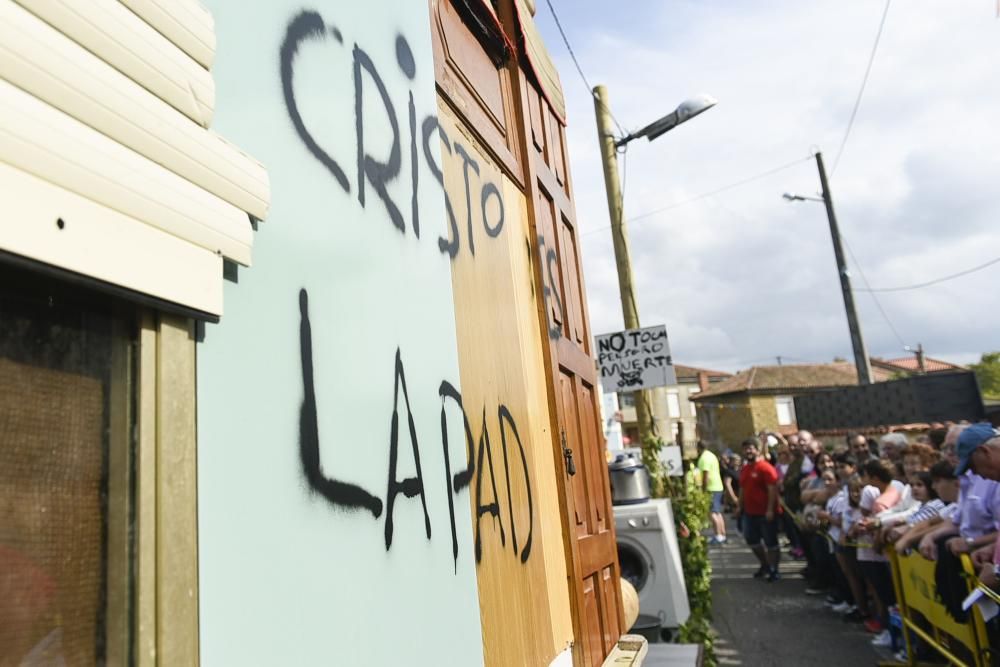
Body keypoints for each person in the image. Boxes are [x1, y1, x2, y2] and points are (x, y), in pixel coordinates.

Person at [738, 437, 782, 582]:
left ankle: (774, 570)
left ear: (757, 450)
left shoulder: (765, 468)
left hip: (765, 513)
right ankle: (765, 565)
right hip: (749, 513)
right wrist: (739, 506)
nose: (748, 451)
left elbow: (772, 489)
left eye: (751, 448)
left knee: (771, 542)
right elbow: (743, 489)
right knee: (752, 540)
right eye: (745, 449)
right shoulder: (744, 469)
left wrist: (770, 509)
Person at [696, 442, 727, 545]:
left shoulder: (704, 458)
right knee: (717, 512)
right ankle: (722, 534)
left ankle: (718, 535)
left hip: (711, 487)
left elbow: (706, 475)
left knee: (712, 513)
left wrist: (703, 490)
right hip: (718, 485)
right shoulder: (711, 455)